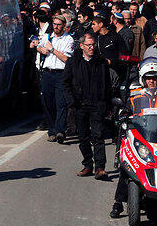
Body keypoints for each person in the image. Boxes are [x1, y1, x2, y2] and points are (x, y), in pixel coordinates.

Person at [110, 58, 157, 219]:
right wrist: (123, 114)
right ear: (143, 78)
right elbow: (127, 109)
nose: (152, 81)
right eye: (149, 78)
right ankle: (118, 203)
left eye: (155, 77)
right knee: (127, 166)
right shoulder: (135, 93)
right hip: (140, 135)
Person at [63, 33, 111, 180]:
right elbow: (65, 83)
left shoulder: (101, 62)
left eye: (93, 45)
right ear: (82, 46)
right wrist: (72, 101)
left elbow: (107, 84)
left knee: (98, 136)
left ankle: (100, 167)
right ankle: (88, 165)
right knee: (83, 137)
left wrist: (106, 104)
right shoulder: (73, 62)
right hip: (80, 105)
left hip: (97, 104)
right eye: (88, 45)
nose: (91, 48)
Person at [31, 15, 74, 143]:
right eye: (54, 24)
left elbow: (66, 58)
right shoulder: (47, 37)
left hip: (61, 74)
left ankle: (60, 130)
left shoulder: (68, 39)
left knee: (60, 103)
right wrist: (41, 49)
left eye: (59, 24)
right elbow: (38, 46)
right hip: (47, 73)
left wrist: (52, 50)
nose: (56, 26)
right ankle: (52, 130)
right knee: (47, 102)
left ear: (64, 26)